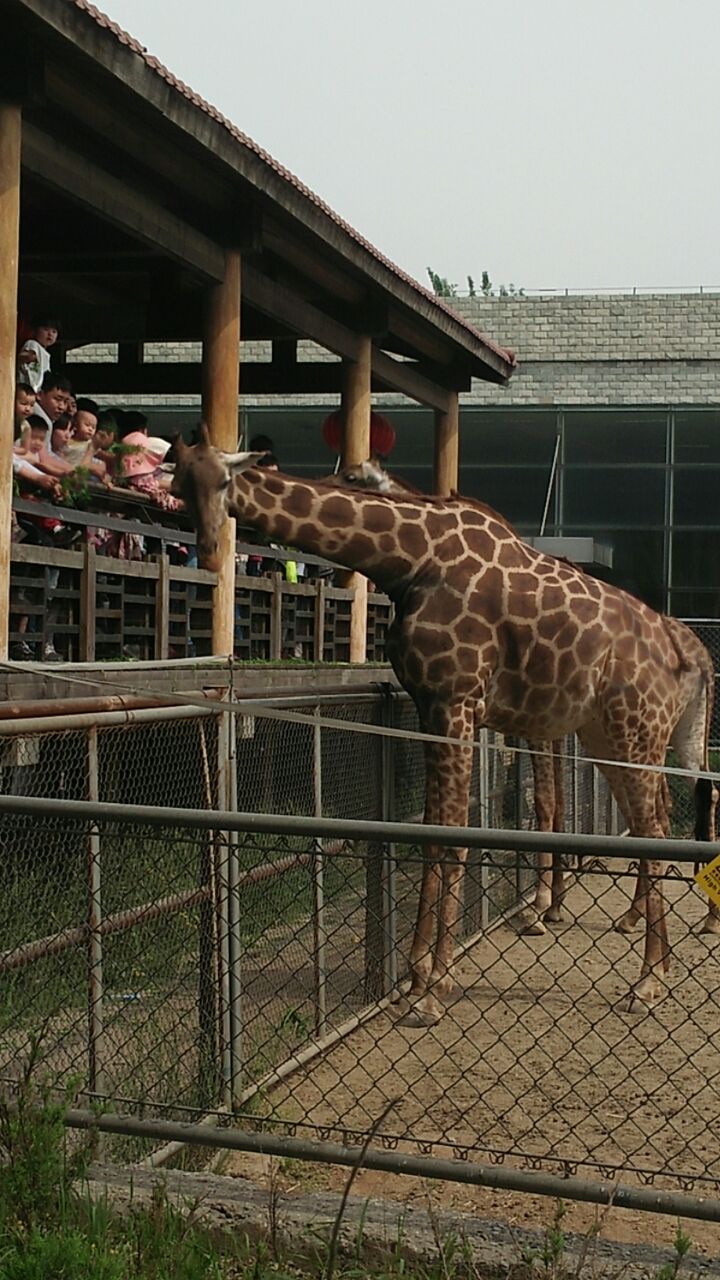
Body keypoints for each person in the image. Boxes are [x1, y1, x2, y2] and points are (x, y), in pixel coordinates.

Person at [17, 317, 59, 392]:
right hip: (25, 388)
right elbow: (23, 356)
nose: (50, 334)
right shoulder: (33, 344)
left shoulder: (46, 354)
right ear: (35, 331)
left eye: (54, 331)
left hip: (36, 391)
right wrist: (28, 357)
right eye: (46, 329)